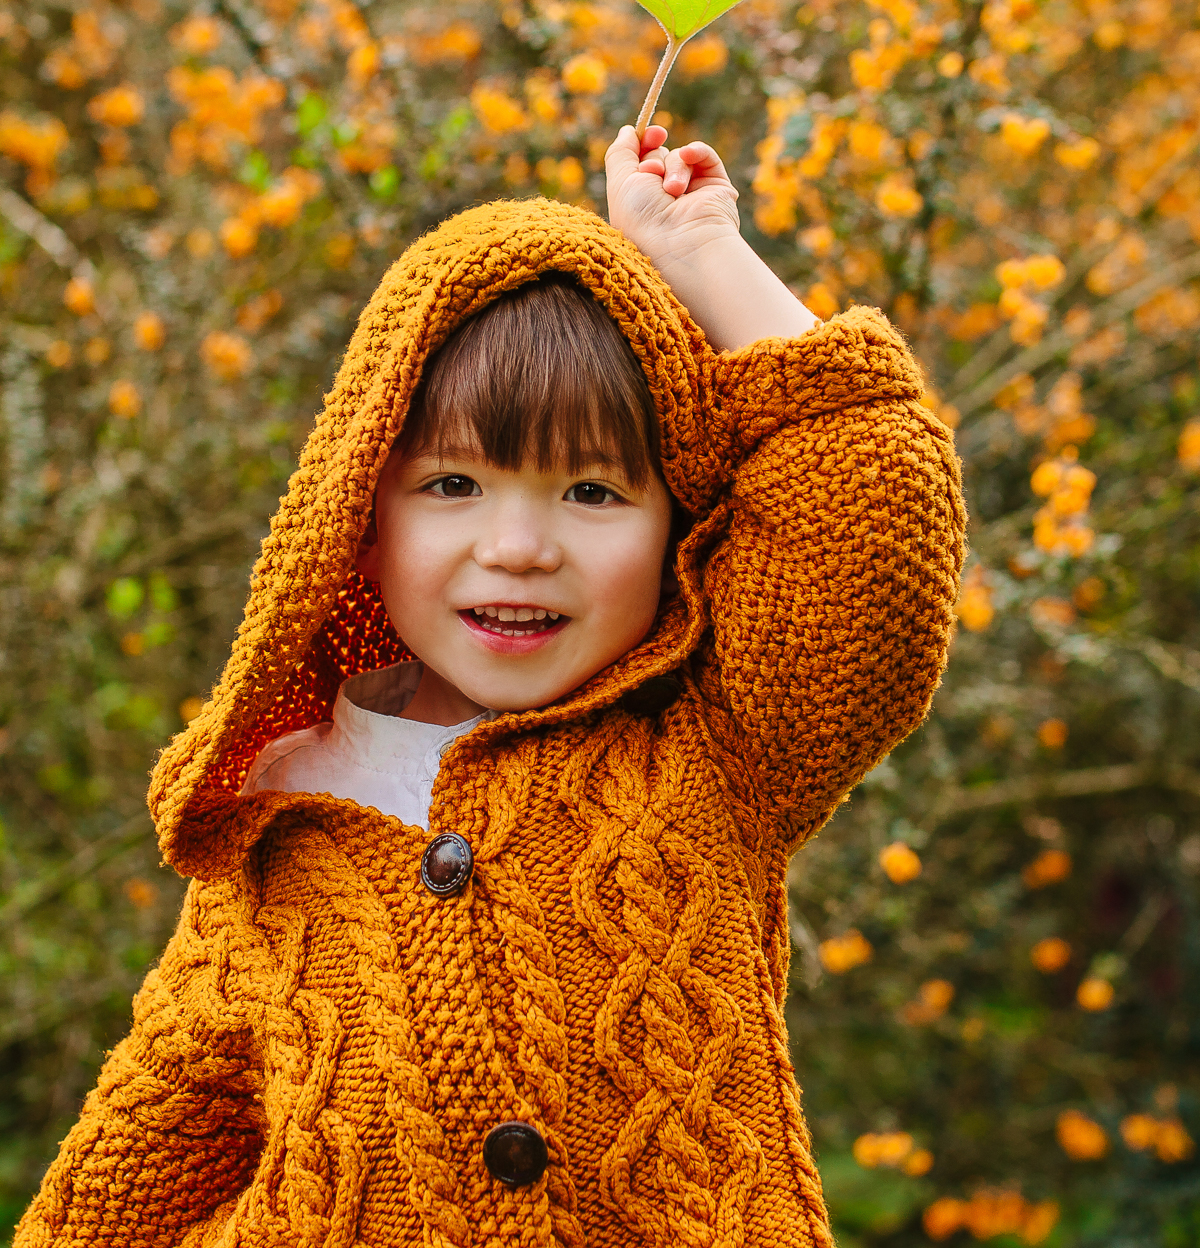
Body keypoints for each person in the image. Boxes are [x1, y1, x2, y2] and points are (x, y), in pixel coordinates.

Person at [17, 125, 964, 1248]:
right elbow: (125, 1185)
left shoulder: (719, 741)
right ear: (359, 522)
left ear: (677, 529)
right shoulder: (272, 825)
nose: (518, 546)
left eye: (594, 493)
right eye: (455, 482)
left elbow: (873, 502)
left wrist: (703, 252)